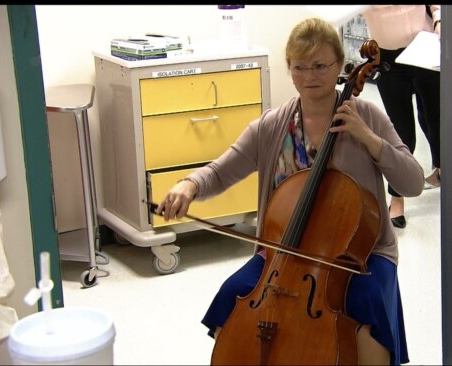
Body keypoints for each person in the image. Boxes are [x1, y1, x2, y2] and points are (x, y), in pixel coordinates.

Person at [156, 17, 424, 366]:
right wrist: (189, 185)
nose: (309, 77)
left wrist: (370, 140)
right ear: (289, 69)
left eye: (319, 66)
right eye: (299, 67)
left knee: (366, 305)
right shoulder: (272, 126)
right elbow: (221, 170)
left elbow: (413, 183)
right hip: (282, 255)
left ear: (340, 66)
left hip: (359, 255)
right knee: (233, 294)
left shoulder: (367, 117)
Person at [362, 5, 442, 229]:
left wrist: (438, 20)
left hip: (425, 45)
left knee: (434, 119)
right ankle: (396, 199)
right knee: (400, 132)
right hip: (388, 58)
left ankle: (441, 168)